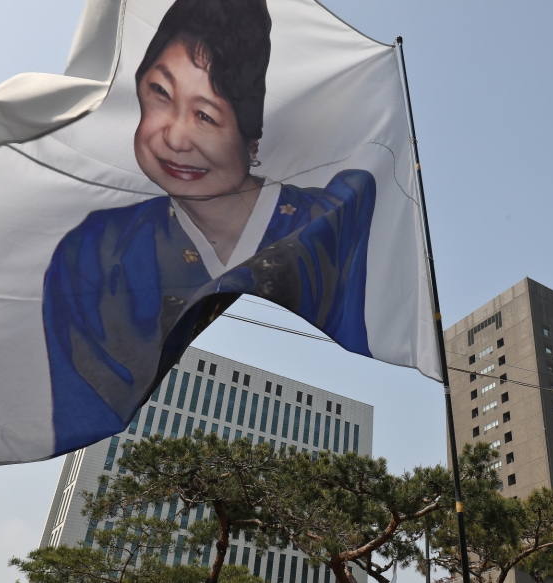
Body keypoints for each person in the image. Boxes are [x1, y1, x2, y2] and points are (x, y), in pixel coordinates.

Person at [42, 0, 376, 454]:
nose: (174, 138)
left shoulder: (332, 225)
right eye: (160, 93)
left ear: (253, 140)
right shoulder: (97, 251)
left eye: (205, 116)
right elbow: (82, 403)